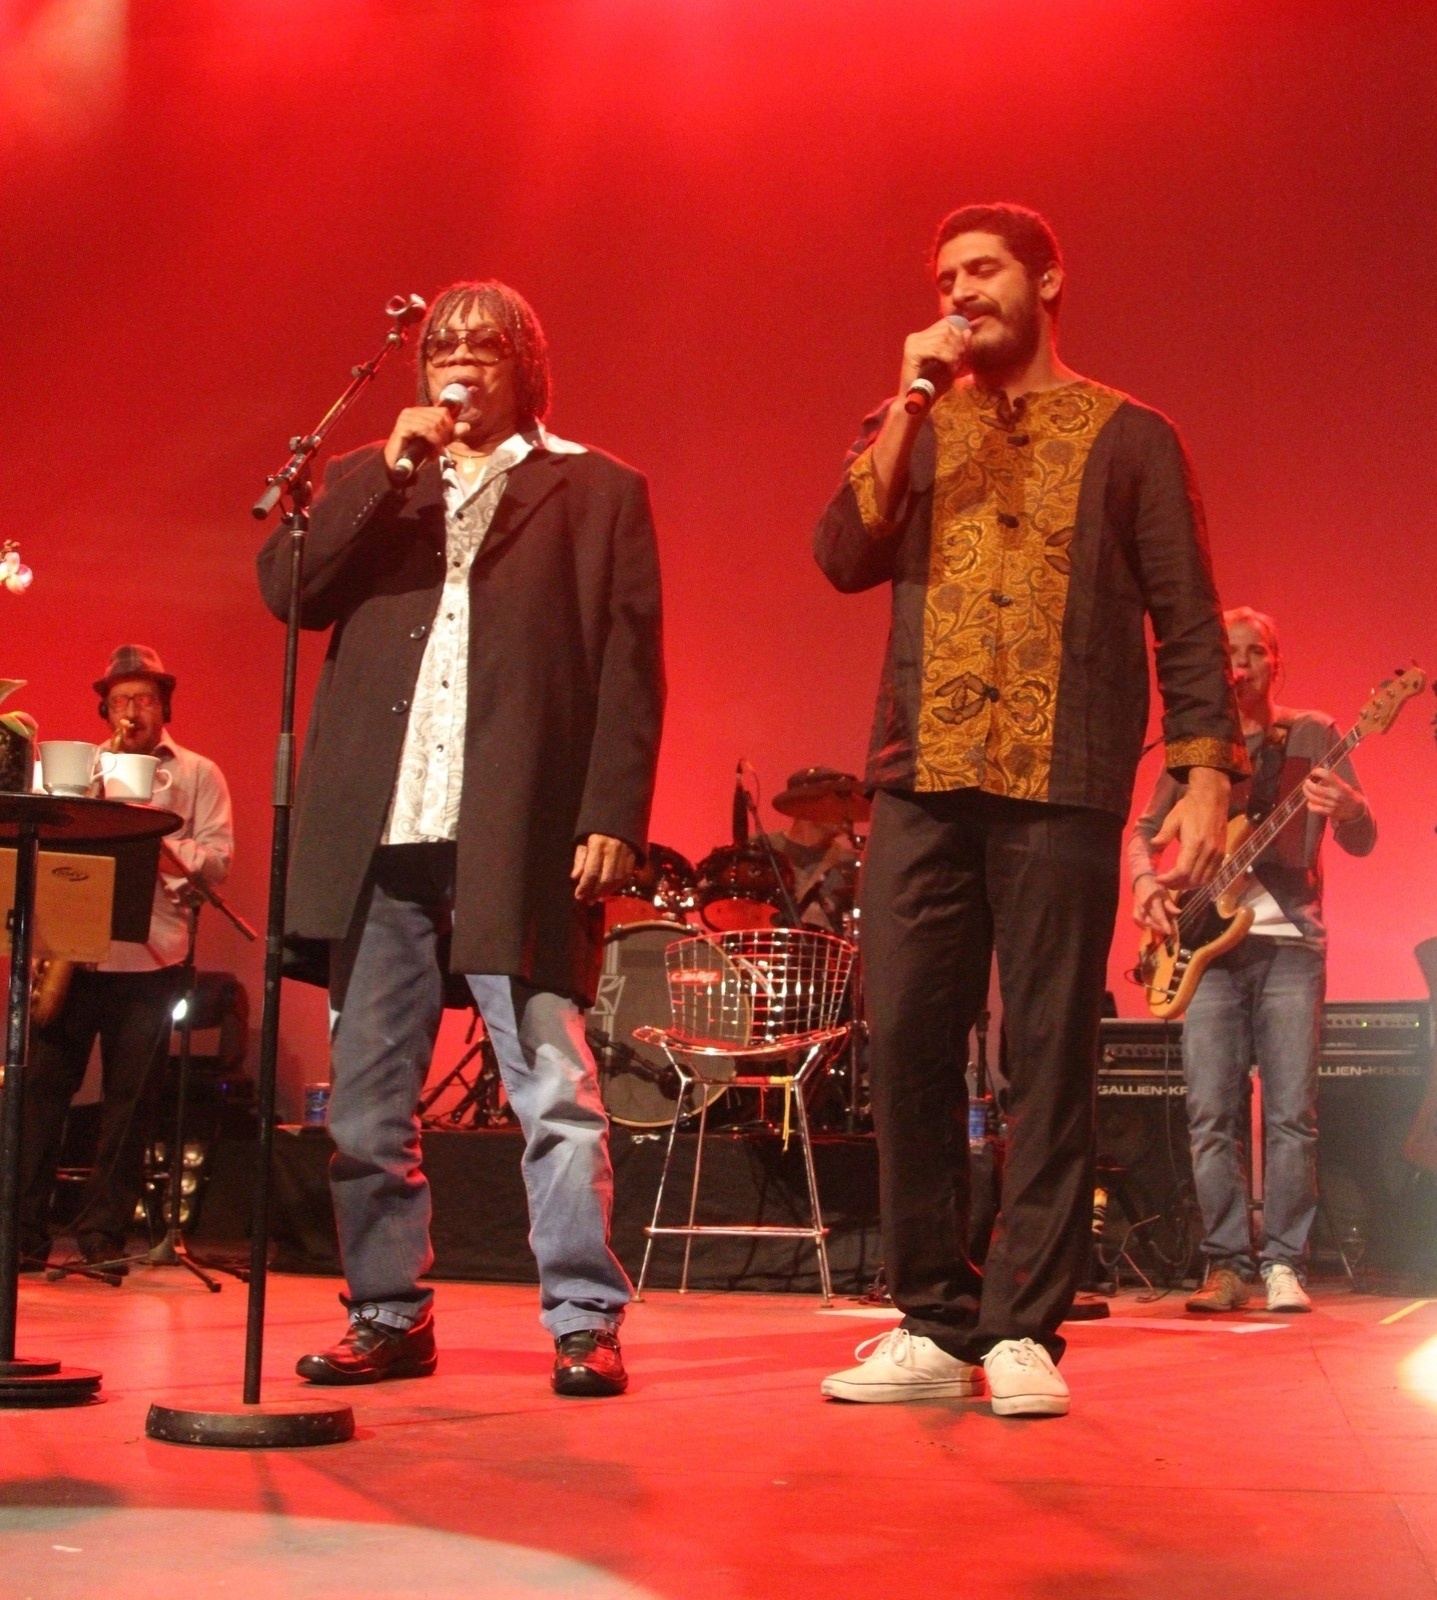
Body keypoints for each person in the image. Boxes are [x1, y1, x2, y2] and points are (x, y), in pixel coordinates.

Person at [814, 203, 1246, 1416]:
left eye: (984, 268)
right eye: (944, 273)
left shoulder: (1132, 437)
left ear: (1047, 279)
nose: (962, 290)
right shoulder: (913, 421)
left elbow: (1189, 612)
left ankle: (1025, 1329)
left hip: (1063, 776)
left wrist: (1206, 768)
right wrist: (905, 401)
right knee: (903, 1039)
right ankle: (933, 1319)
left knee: (1045, 1049)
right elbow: (842, 552)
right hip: (919, 777)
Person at [258, 280, 664, 1397]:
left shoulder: (595, 487)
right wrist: (385, 474)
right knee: (369, 1099)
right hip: (379, 836)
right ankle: (387, 1310)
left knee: (555, 1089)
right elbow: (286, 591)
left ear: (526, 364)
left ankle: (585, 1316)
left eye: (487, 345)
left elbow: (630, 666)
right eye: (444, 344)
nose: (462, 361)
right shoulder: (378, 484)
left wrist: (612, 813)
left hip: (512, 826)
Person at [1129, 607, 1375, 1314]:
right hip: (1204, 952)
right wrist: (1146, 883)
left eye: (1251, 654)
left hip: (1288, 945)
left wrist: (1352, 808)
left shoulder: (1313, 735)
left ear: (1276, 663)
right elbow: (1142, 835)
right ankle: (1225, 1263)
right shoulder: (1192, 751)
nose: (1238, 668)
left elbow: (1361, 839)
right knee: (1210, 1112)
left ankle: (1283, 1264)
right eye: (1226, 657)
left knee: (1291, 1114)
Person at [17, 646, 234, 1274]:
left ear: (164, 705)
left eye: (142, 699)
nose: (131, 711)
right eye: (119, 702)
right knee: (39, 1096)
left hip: (152, 959)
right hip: (73, 955)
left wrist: (151, 833)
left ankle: (101, 1237)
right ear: (105, 709)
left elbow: (217, 860)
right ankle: (22, 1236)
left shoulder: (197, 774)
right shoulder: (83, 769)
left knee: (129, 1105)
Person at [763, 766, 862, 933]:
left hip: (828, 956)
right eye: (838, 798)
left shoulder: (852, 864)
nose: (847, 807)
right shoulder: (761, 848)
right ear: (804, 804)